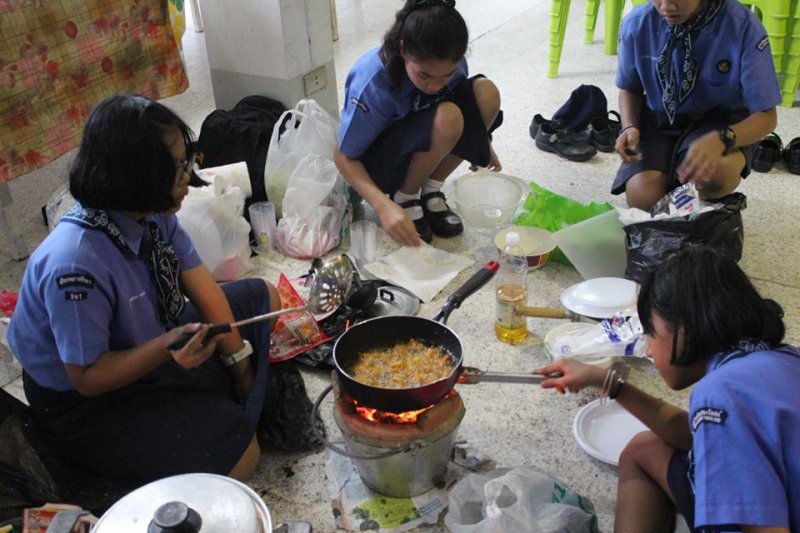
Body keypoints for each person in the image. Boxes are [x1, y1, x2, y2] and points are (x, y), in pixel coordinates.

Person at [8, 94, 282, 487]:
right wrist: (165, 348)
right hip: (85, 401)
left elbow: (203, 288)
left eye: (186, 160)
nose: (189, 175)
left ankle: (188, 396)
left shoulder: (150, 214)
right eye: (176, 168)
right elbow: (87, 376)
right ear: (136, 178)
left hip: (153, 339)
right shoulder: (75, 266)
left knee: (264, 297)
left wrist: (241, 368)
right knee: (241, 459)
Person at [535, 246, 799, 532]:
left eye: (651, 332)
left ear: (685, 328)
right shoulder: (783, 359)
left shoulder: (719, 394)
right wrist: (604, 380)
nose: (648, 349)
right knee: (644, 448)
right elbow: (691, 437)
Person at [334, 0, 503, 246]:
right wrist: (382, 206)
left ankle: (431, 189)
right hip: (381, 160)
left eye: (447, 75)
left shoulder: (452, 64)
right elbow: (343, 155)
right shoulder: (373, 82)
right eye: (424, 75)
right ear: (403, 50)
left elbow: (464, 104)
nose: (435, 86)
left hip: (422, 140)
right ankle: (405, 197)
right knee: (448, 116)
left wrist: (482, 140)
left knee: (486, 93)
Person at [612, 0, 780, 210]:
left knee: (715, 175)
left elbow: (767, 116)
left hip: (720, 121)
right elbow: (630, 88)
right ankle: (674, 180)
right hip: (660, 120)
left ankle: (693, 188)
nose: (666, 7)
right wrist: (629, 126)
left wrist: (723, 138)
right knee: (643, 198)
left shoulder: (743, 26)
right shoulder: (637, 23)